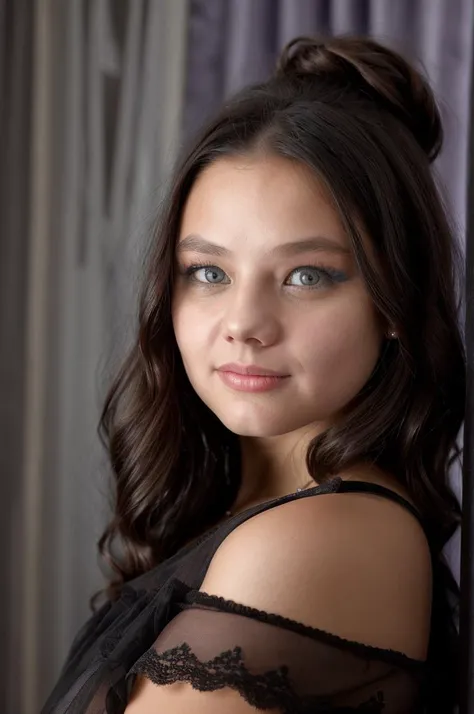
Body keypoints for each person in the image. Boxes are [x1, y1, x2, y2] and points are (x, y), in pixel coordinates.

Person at [41, 35, 465, 714]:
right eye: (209, 272)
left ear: (394, 304)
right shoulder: (247, 512)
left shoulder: (329, 533)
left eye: (306, 275)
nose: (244, 323)